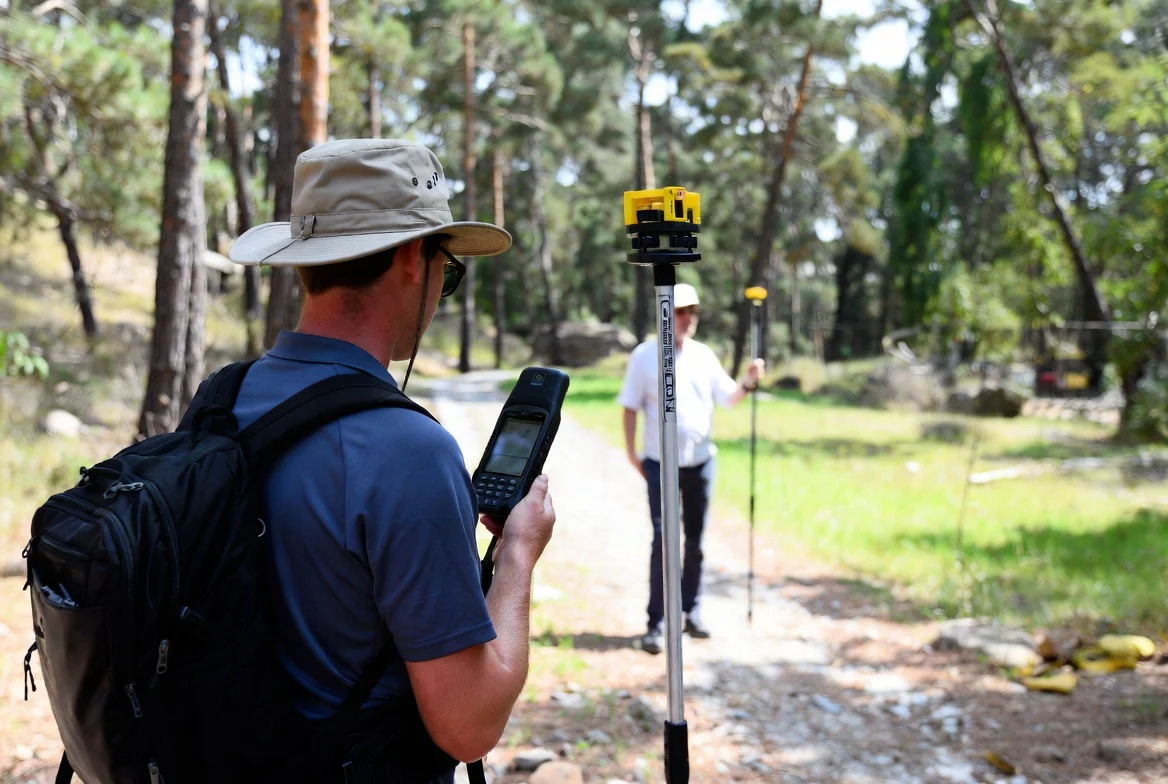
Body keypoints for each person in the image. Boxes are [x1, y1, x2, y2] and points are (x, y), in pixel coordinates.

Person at [226, 139, 556, 782]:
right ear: (413, 258)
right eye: (449, 269)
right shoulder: (407, 453)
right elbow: (468, 727)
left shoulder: (224, 399)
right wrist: (517, 557)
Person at [617, 283, 764, 654]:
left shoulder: (703, 356)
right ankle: (657, 622)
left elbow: (728, 398)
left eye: (692, 311)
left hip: (700, 463)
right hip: (659, 463)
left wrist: (748, 382)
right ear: (664, 313)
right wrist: (632, 454)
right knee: (663, 539)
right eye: (681, 311)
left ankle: (691, 611)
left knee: (695, 542)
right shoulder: (644, 356)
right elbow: (630, 406)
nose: (687, 318)